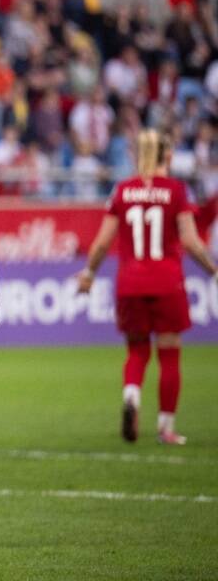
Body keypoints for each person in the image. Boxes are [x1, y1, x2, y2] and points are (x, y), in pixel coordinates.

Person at [77, 129, 218, 445]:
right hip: (167, 281)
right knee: (169, 356)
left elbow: (101, 243)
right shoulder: (176, 190)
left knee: (137, 351)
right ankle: (166, 428)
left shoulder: (122, 191)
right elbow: (191, 241)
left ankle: (131, 396)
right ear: (167, 156)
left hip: (130, 282)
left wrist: (88, 273)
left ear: (136, 155)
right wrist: (213, 270)